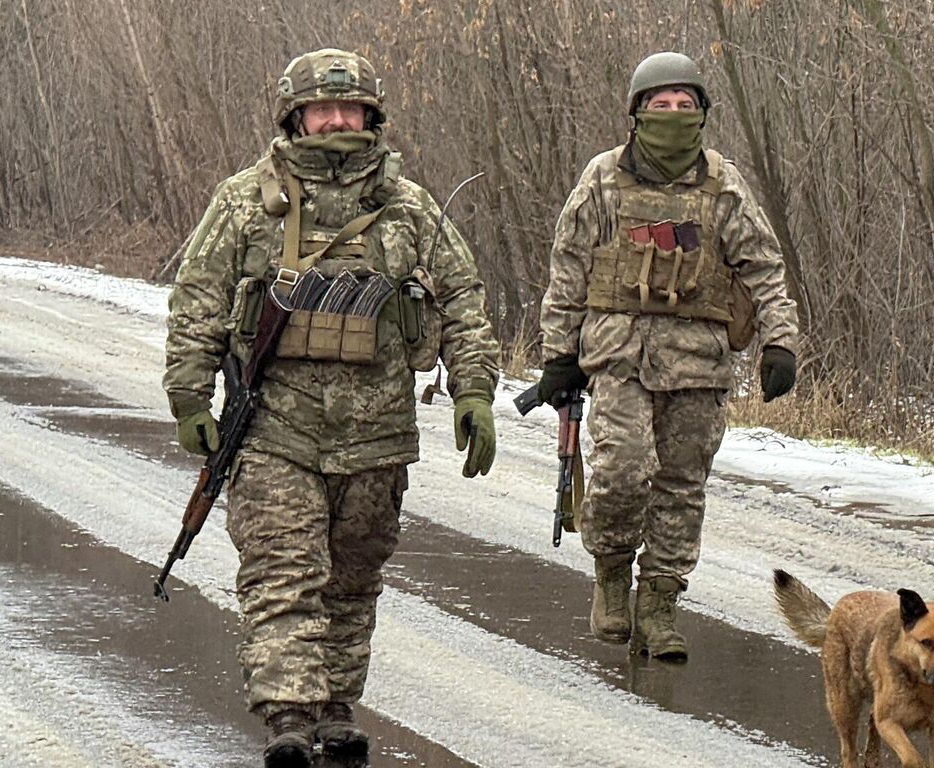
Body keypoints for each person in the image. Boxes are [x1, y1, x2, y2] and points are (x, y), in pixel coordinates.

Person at [162, 48, 501, 767]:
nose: (338, 119)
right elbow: (199, 299)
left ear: (372, 116)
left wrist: (473, 389)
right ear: (296, 115)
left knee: (352, 579)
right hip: (274, 428)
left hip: (378, 438)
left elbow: (463, 302)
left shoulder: (409, 209)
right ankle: (288, 714)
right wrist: (189, 393)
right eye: (324, 109)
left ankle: (336, 706)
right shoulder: (244, 201)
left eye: (351, 110)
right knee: (284, 573)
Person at [536, 51, 802, 661]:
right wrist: (558, 352)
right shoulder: (603, 178)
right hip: (618, 357)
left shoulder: (722, 183)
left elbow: (764, 268)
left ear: (703, 115)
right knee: (623, 470)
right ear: (637, 113)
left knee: (682, 485)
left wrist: (780, 340)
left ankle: (658, 602)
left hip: (700, 364)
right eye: (662, 106)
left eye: (686, 106)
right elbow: (568, 269)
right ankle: (610, 573)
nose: (674, 115)